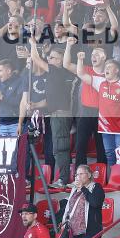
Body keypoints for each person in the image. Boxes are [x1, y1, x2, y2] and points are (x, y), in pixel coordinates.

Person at [76, 55, 120, 167]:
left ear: (117, 70)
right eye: (106, 67)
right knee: (109, 154)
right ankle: (112, 179)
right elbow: (81, 74)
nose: (106, 69)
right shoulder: (100, 82)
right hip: (105, 127)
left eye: (109, 67)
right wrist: (80, 59)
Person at [30, 42, 76, 187]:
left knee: (60, 147)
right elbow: (51, 99)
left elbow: (36, 59)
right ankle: (62, 178)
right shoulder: (55, 74)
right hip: (57, 113)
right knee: (58, 147)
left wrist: (32, 43)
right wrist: (35, 105)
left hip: (60, 115)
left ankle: (63, 179)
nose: (48, 59)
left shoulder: (57, 71)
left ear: (59, 61)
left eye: (52, 57)